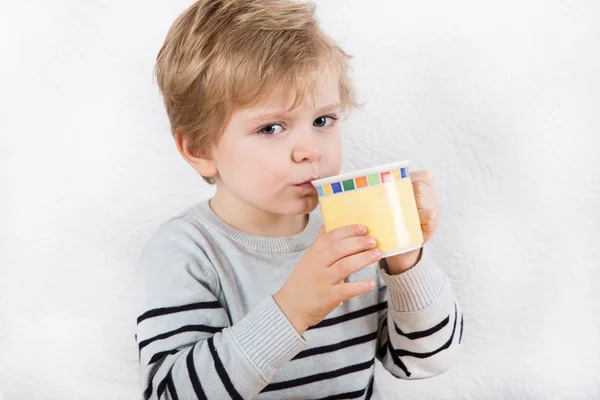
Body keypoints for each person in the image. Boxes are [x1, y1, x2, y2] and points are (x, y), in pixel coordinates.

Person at [135, 1, 463, 398]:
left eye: (323, 120)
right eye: (271, 128)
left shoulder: (355, 226)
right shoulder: (185, 253)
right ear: (200, 149)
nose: (309, 149)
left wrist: (406, 257)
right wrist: (291, 310)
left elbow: (424, 360)